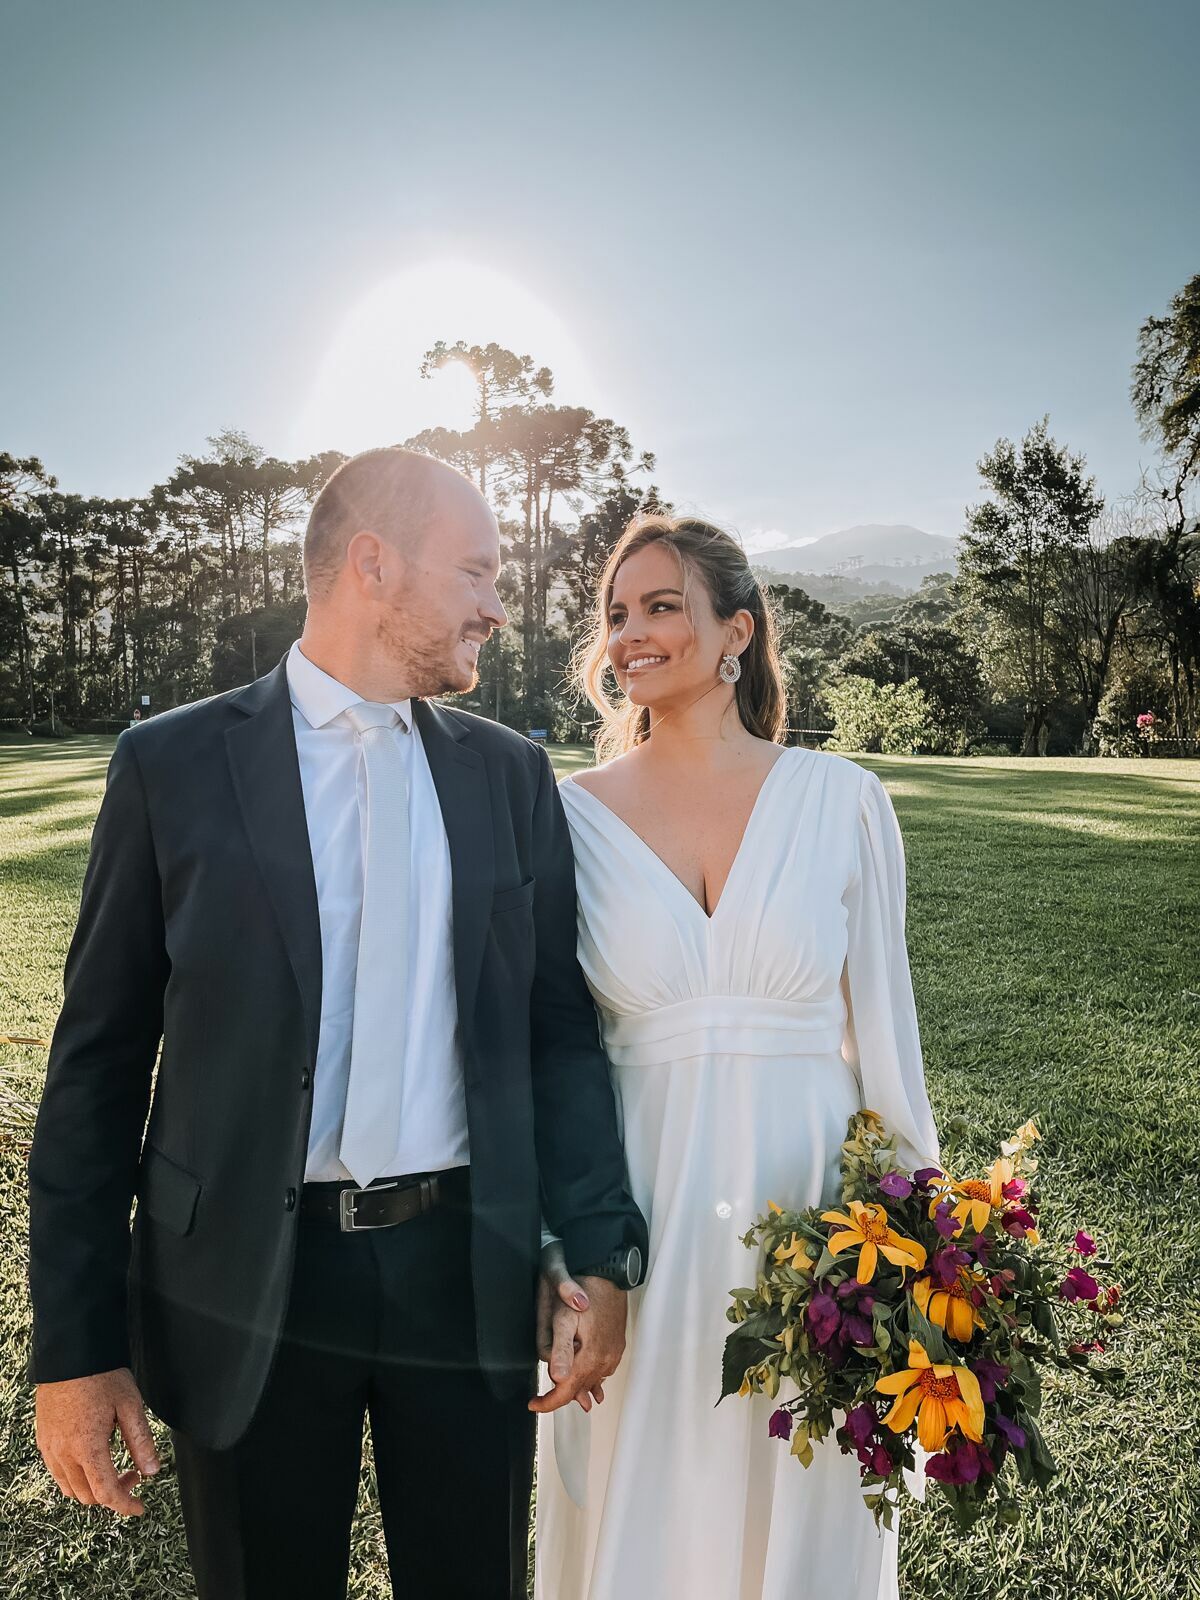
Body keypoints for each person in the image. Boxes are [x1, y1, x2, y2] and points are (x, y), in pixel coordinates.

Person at [27, 447, 648, 1600]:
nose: (498, 606)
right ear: (373, 563)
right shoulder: (170, 766)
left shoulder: (511, 777)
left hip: (466, 1273)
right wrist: (73, 1347)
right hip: (244, 1284)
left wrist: (600, 1252)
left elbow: (557, 1032)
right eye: (474, 570)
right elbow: (97, 1069)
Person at [534, 515, 940, 1600]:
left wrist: (925, 1250)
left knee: (802, 1487)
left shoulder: (842, 800)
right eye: (616, 614)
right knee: (643, 1491)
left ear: (736, 634)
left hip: (811, 1210)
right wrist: (558, 1250)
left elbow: (886, 1040)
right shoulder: (565, 818)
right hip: (640, 1218)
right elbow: (548, 1047)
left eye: (662, 605)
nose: (629, 633)